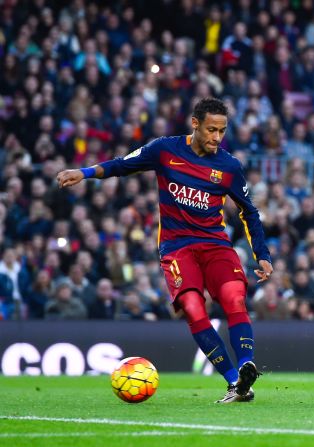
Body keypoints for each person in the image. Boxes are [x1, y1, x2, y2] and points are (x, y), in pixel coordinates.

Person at [57, 98, 273, 403]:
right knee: (193, 307)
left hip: (215, 244)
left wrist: (262, 254)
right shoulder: (165, 150)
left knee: (233, 297)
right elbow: (122, 164)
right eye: (211, 129)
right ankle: (236, 383)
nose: (216, 137)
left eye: (222, 131)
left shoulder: (229, 167)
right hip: (177, 248)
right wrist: (86, 172)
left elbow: (249, 212)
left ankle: (246, 365)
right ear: (195, 124)